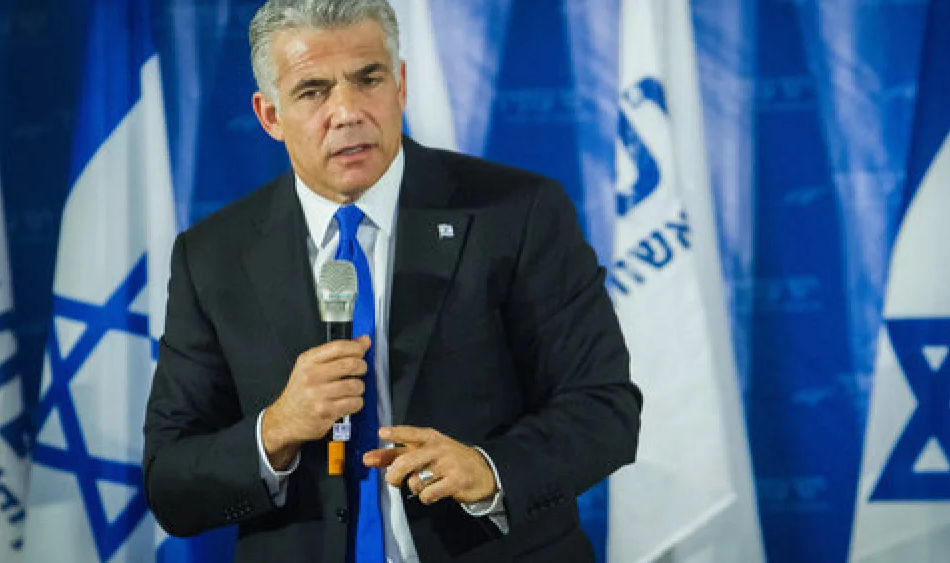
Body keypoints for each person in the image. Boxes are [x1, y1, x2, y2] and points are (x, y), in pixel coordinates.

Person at [142, 0, 641, 561]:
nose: (348, 111)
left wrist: (489, 469)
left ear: (400, 84)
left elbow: (605, 409)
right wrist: (276, 429)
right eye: (313, 91)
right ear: (270, 115)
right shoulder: (212, 257)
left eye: (368, 79)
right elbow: (170, 482)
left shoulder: (517, 214)